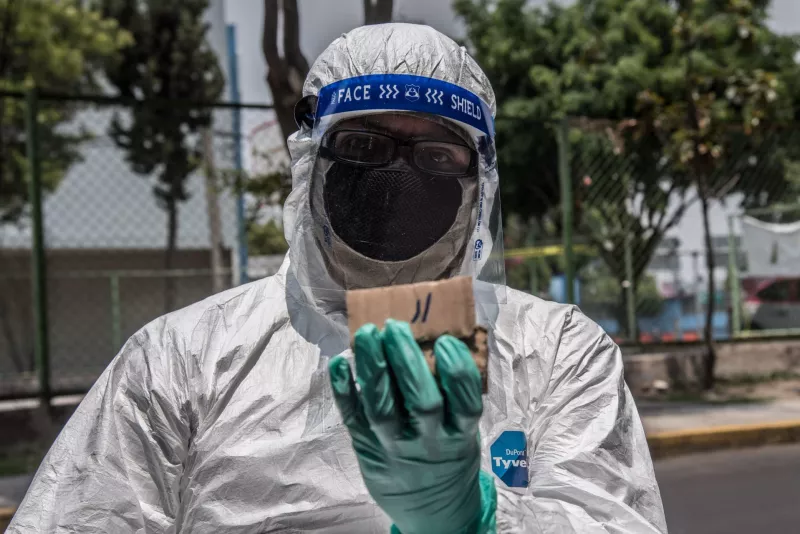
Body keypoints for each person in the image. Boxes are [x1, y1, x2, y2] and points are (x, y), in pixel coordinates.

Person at [8, 24, 667, 533]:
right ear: (310, 160)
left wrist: (473, 516)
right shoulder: (181, 362)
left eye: (437, 154)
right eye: (362, 146)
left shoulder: (556, 354)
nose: (397, 178)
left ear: (481, 182)